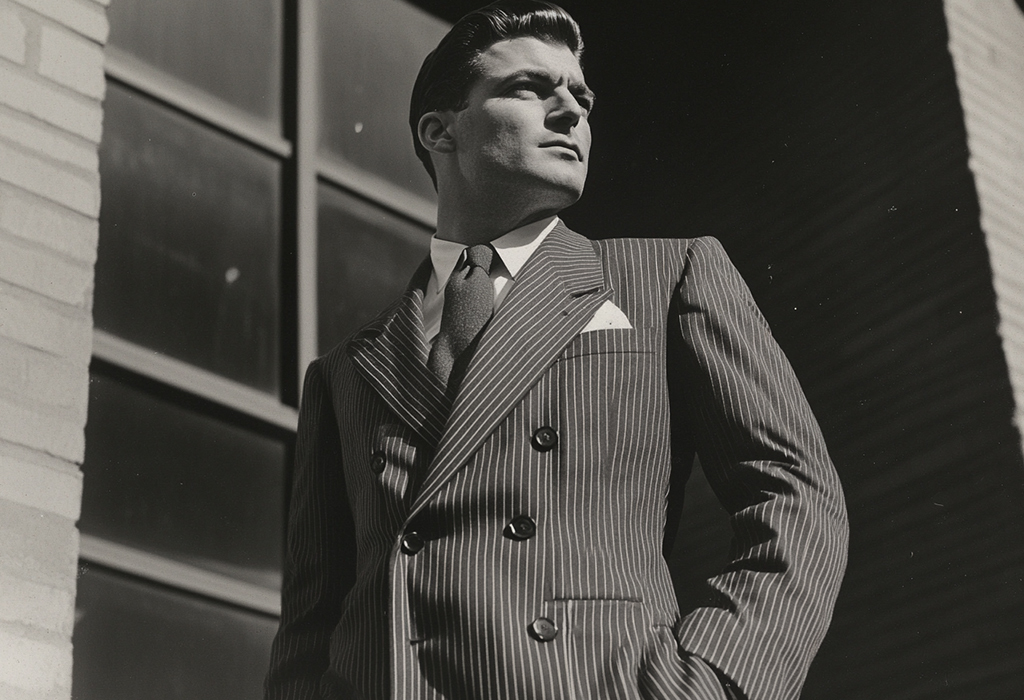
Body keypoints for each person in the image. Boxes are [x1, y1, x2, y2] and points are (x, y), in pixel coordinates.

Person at [264, 2, 849, 699]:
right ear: (439, 131)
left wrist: (716, 679)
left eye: (581, 97)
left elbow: (795, 493)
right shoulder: (345, 372)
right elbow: (310, 622)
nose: (571, 112)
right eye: (530, 89)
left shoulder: (666, 277)